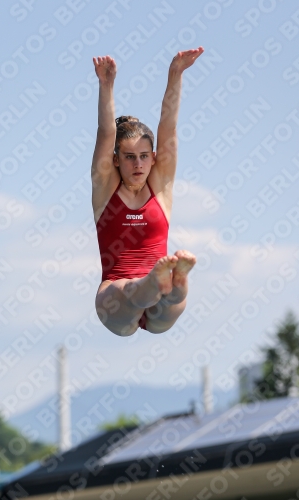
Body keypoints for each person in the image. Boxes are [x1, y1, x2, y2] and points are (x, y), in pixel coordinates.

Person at [92, 47, 204, 336]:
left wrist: (175, 74)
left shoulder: (161, 186)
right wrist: (106, 86)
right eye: (129, 157)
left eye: (144, 156)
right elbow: (106, 134)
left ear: (153, 157)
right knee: (129, 290)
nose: (138, 163)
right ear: (115, 160)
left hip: (159, 303)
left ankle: (172, 282)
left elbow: (169, 127)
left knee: (174, 299)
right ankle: (159, 281)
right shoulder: (105, 188)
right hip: (116, 296)